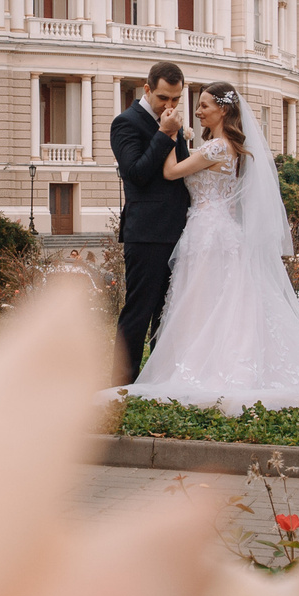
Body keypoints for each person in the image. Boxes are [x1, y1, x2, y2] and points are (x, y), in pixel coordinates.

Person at [124, 82, 299, 413]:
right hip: (218, 230)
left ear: (223, 110)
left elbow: (171, 171)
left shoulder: (218, 147)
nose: (198, 110)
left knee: (205, 300)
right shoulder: (229, 146)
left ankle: (209, 367)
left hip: (208, 232)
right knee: (218, 299)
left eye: (204, 105)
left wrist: (170, 134)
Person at [110, 61, 192, 384]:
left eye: (176, 99)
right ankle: (120, 385)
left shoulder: (170, 122)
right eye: (162, 98)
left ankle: (159, 382)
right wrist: (165, 134)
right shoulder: (126, 123)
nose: (169, 106)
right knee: (138, 313)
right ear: (146, 90)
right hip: (146, 235)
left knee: (169, 315)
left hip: (179, 233)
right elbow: (137, 174)